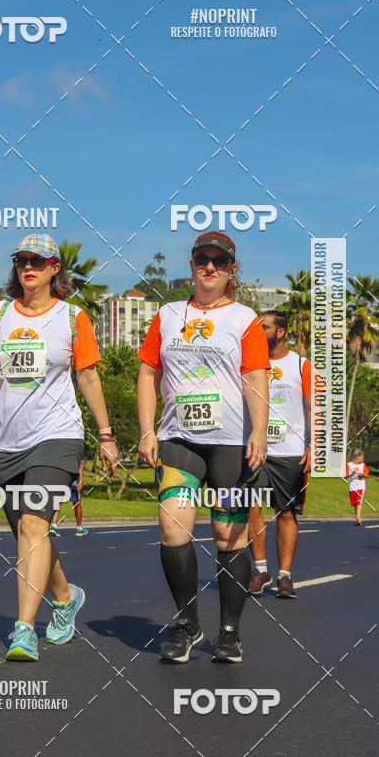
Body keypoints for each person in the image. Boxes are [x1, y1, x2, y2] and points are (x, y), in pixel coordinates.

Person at [0, 234, 118, 660]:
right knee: (32, 533)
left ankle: (24, 629)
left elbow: (87, 377)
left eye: (37, 260)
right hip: (6, 441)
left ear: (53, 269)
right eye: (21, 260)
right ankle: (65, 597)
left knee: (33, 527)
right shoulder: (0, 314)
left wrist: (105, 434)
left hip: (57, 435)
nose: (27, 266)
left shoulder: (71, 318)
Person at [138, 231, 269, 664]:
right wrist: (145, 430)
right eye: (201, 259)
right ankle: (187, 624)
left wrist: (259, 431)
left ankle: (229, 633)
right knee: (173, 528)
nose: (208, 267)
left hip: (230, 443)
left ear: (232, 271)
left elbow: (255, 380)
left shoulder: (245, 319)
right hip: (179, 440)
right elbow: (147, 375)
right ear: (191, 264)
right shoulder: (168, 315)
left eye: (219, 261)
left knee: (228, 537)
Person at [248, 311, 314, 599]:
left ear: (281, 332)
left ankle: (285, 577)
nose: (257, 330)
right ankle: (260, 570)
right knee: (251, 506)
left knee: (285, 513)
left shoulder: (301, 365)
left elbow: (313, 409)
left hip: (291, 452)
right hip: (257, 451)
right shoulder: (249, 363)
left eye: (264, 327)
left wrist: (313, 447)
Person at [50, 461, 89, 536]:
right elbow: (80, 465)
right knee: (77, 503)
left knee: (59, 503)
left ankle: (54, 526)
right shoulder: (76, 449)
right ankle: (79, 528)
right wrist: (81, 480)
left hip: (63, 481)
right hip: (74, 482)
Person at [346, 449, 369, 526]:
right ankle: (357, 518)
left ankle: (358, 519)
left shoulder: (363, 465)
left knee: (359, 502)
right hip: (352, 487)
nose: (363, 459)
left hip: (360, 487)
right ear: (357, 457)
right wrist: (351, 474)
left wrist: (362, 474)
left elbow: (367, 475)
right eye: (362, 457)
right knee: (355, 503)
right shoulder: (349, 465)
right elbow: (345, 475)